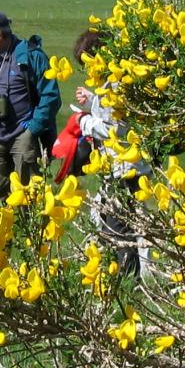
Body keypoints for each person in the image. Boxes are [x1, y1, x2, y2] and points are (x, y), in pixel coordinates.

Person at [71, 30, 151, 277]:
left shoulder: (113, 86)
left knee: (119, 226)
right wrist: (92, 99)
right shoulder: (118, 80)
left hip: (124, 168)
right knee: (124, 221)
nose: (89, 71)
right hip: (131, 165)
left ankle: (129, 278)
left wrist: (83, 121)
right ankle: (130, 274)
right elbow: (113, 112)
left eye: (88, 64)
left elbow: (113, 128)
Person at [0, 9, 59, 198]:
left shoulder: (31, 56)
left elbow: (50, 97)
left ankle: (30, 228)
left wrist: (32, 129)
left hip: (23, 134)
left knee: (28, 195)